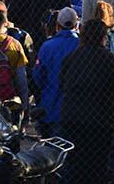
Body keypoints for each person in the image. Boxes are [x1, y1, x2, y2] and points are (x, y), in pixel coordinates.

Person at [59, 20, 114, 184]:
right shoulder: (110, 60)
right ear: (102, 37)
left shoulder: (72, 58)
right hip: (101, 121)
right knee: (97, 166)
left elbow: (63, 85)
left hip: (73, 119)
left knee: (74, 165)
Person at [32, 7, 80, 137]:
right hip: (76, 109)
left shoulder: (47, 46)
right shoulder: (81, 45)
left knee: (51, 151)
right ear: (76, 25)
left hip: (51, 106)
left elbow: (38, 76)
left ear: (57, 25)